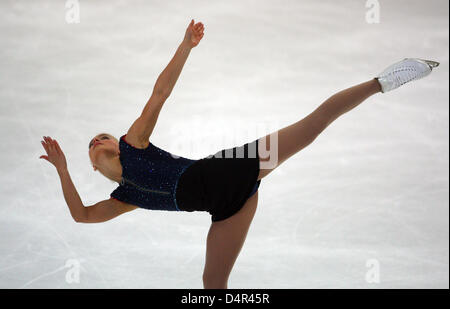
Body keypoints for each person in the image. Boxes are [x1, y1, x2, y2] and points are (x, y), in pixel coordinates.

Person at [39, 19, 439, 289]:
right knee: (212, 287)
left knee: (312, 127)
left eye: (102, 136)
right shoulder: (125, 198)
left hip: (229, 169)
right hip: (231, 206)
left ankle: (384, 80)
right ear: (92, 166)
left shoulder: (133, 145)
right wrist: (61, 170)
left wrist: (185, 47)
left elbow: (159, 93)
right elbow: (82, 216)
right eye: (92, 144)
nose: (98, 141)